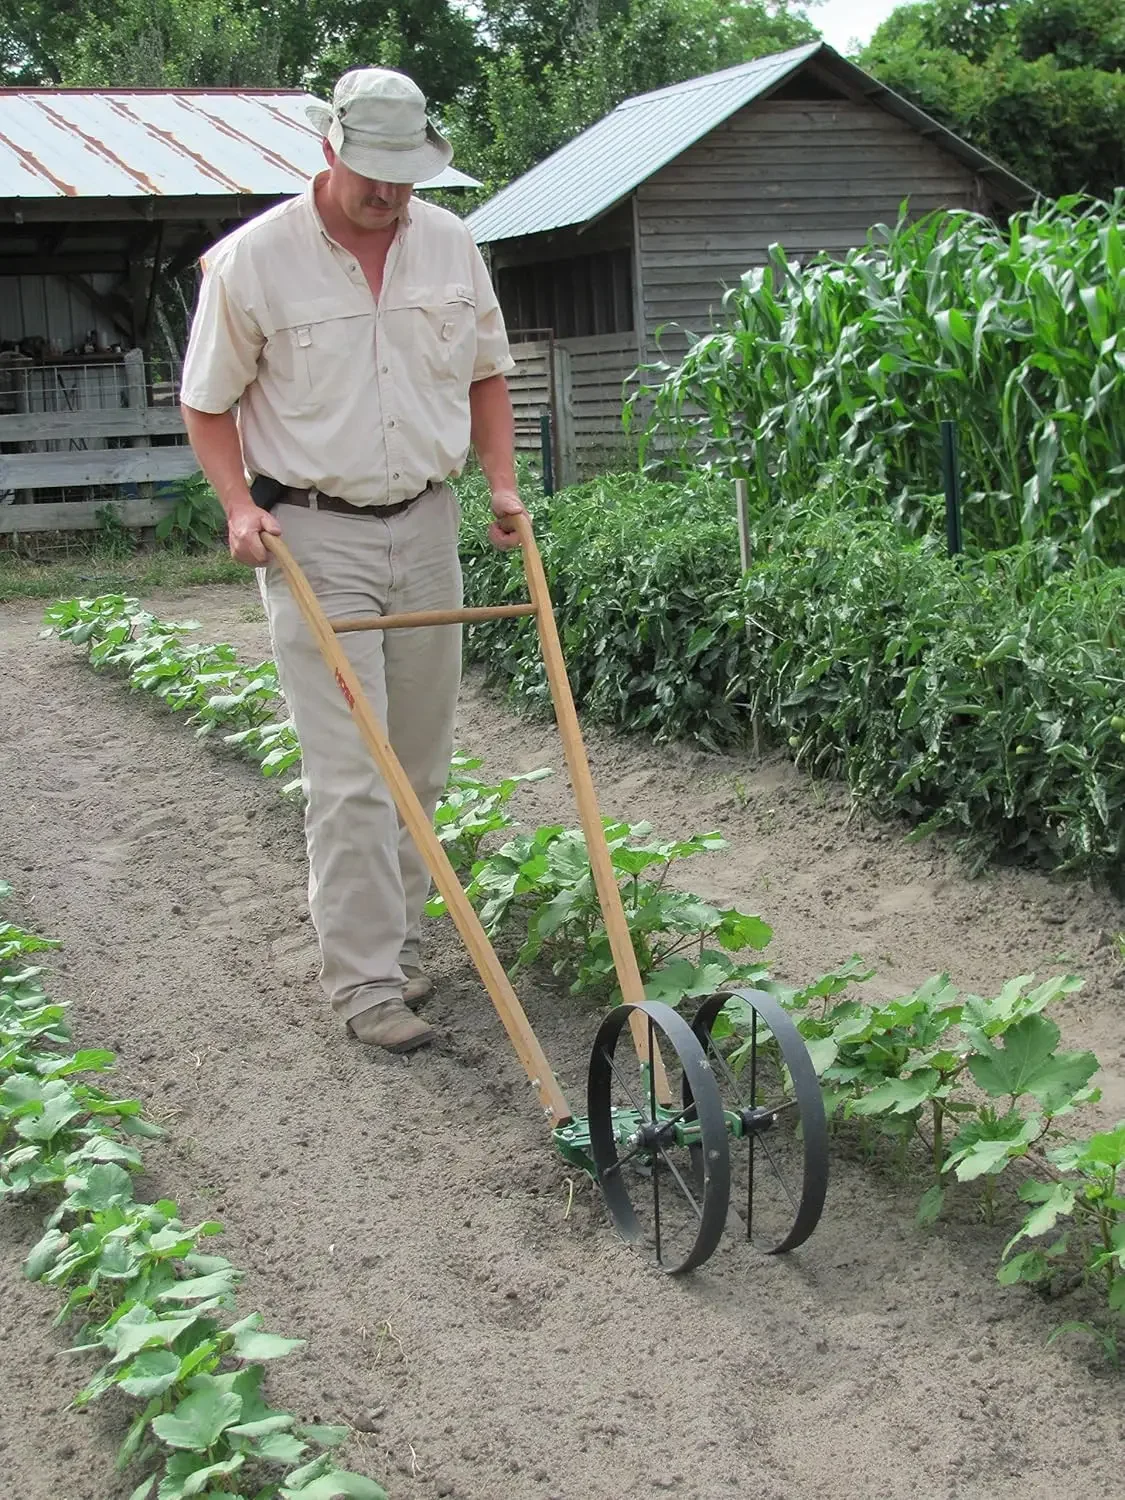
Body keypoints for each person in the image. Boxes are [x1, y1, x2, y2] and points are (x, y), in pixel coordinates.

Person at [180, 66, 526, 1055]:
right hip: (313, 535)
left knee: (418, 761)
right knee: (350, 773)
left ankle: (401, 945)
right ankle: (366, 982)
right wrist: (239, 506)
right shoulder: (253, 264)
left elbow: (488, 376)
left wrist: (499, 484)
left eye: (405, 175)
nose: (389, 193)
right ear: (329, 151)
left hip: (427, 522)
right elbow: (207, 406)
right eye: (373, 173)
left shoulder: (453, 245)